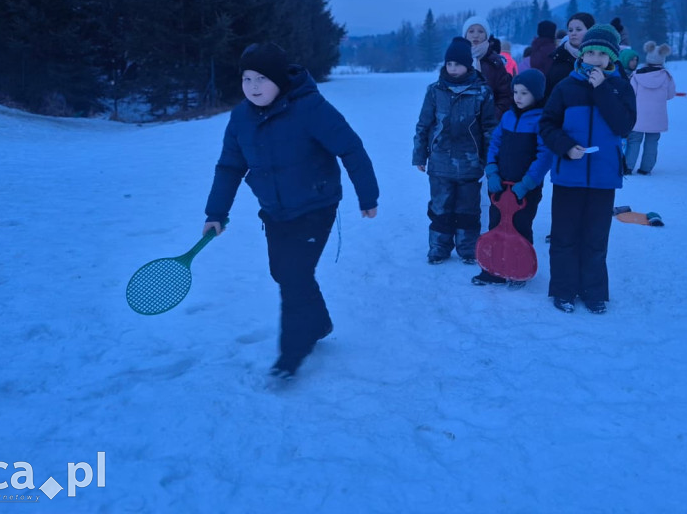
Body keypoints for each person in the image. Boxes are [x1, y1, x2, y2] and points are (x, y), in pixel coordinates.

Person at [203, 43, 380, 380]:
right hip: (275, 210)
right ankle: (319, 323)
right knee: (283, 272)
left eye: (262, 79)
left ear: (280, 80)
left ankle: (291, 354)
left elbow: (351, 148)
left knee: (294, 275)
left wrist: (367, 195)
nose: (253, 87)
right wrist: (215, 212)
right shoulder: (241, 118)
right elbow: (229, 167)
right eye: (247, 79)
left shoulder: (309, 108)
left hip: (316, 205)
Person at [539, 24, 636, 315]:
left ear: (612, 58)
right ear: (581, 55)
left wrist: (602, 89)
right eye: (590, 53)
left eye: (601, 54)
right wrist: (566, 146)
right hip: (569, 175)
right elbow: (547, 124)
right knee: (564, 236)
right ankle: (563, 290)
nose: (594, 59)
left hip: (603, 178)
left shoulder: (620, 87)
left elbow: (624, 126)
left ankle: (594, 293)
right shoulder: (565, 87)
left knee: (596, 239)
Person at [414, 37, 498, 265]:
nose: (452, 68)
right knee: (440, 207)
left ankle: (468, 248)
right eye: (449, 64)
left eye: (457, 64)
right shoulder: (435, 91)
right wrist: (420, 155)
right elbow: (424, 125)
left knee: (468, 209)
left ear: (468, 65)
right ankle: (439, 248)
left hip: (470, 163)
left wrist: (489, 160)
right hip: (440, 163)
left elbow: (489, 128)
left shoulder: (482, 92)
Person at [474, 69, 554, 287]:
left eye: (524, 93)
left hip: (525, 189)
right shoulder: (508, 117)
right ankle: (494, 270)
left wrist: (527, 183)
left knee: (520, 227)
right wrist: (492, 171)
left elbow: (545, 156)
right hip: (500, 185)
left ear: (536, 94)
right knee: (496, 224)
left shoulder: (542, 120)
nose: (518, 97)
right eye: (516, 92)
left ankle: (519, 268)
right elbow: (495, 144)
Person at [625, 42, 676, 175]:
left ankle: (628, 166)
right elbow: (670, 95)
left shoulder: (637, 75)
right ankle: (646, 168)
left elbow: (631, 94)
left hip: (638, 116)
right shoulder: (667, 76)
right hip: (657, 116)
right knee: (652, 142)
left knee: (634, 141)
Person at [462, 16, 513, 117]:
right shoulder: (457, 60)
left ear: (486, 35)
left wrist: (492, 117)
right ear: (465, 35)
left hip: (487, 122)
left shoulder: (495, 63)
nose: (476, 35)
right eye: (471, 31)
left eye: (481, 31)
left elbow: (505, 96)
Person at [546, 12, 595, 94]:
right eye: (570, 30)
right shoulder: (558, 57)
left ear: (591, 31)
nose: (573, 33)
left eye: (578, 29)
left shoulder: (603, 58)